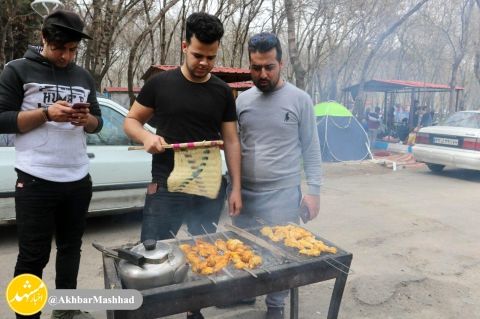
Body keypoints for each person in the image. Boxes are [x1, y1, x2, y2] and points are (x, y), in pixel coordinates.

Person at [123, 12, 241, 319]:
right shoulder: (160, 85)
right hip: (166, 183)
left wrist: (236, 188)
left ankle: (194, 309)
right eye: (198, 55)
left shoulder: (221, 92)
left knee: (203, 249)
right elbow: (131, 120)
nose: (204, 63)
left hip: (208, 183)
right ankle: (145, 309)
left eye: (211, 57)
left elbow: (230, 141)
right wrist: (146, 137)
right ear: (183, 45)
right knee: (152, 252)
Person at [0, 9, 103, 319]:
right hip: (35, 180)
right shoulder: (17, 70)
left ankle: (66, 310)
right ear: (44, 38)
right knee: (33, 256)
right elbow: (3, 120)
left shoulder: (83, 76)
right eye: (60, 48)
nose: (66, 56)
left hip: (78, 178)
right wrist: (46, 114)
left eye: (72, 50)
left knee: (71, 250)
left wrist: (86, 120)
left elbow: (97, 123)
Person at [231, 32, 322, 319]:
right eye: (256, 67)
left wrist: (314, 191)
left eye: (269, 66)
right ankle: (245, 293)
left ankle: (275, 306)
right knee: (244, 247)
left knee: (280, 252)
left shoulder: (300, 99)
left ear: (281, 64)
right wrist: (233, 187)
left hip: (283, 192)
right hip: (246, 192)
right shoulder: (241, 101)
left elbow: (312, 149)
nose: (262, 74)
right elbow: (234, 147)